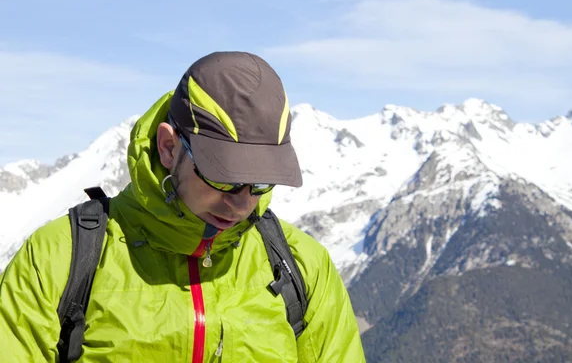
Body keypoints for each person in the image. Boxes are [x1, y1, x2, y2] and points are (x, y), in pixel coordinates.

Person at [0, 51, 365, 362]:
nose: (241, 203)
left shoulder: (300, 267)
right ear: (169, 147)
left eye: (260, 183)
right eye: (223, 177)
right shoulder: (57, 261)